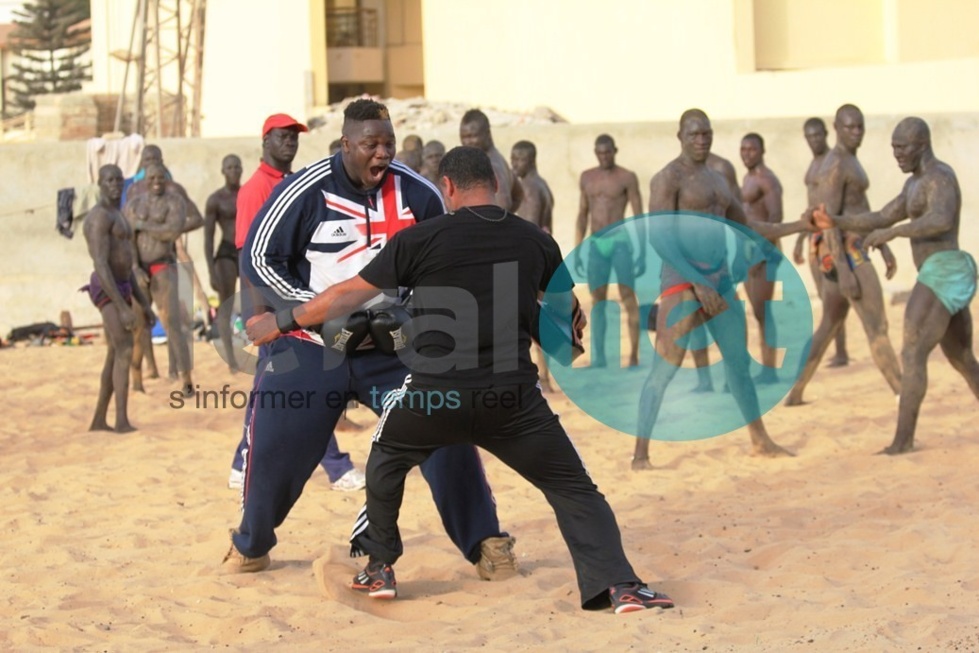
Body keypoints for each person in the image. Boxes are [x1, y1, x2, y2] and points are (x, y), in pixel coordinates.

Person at [245, 145, 676, 614]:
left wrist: (282, 321)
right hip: (514, 402)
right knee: (575, 489)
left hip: (436, 399)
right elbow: (565, 334)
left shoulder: (420, 239)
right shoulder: (536, 241)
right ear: (495, 182)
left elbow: (346, 295)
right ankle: (620, 586)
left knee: (385, 460)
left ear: (447, 187)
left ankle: (380, 568)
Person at [222, 100, 517, 581]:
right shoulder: (304, 191)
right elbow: (258, 259)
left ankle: (485, 540)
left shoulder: (418, 194)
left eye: (388, 143)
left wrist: (415, 312)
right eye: (369, 145)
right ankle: (251, 543)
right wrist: (316, 313)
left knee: (446, 426)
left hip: (392, 348)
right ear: (345, 145)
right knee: (276, 444)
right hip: (311, 346)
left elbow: (447, 260)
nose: (381, 154)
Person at [632, 109, 811, 470]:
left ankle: (760, 439)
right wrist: (696, 283)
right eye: (694, 134)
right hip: (683, 281)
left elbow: (748, 226)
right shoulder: (668, 178)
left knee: (739, 364)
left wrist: (797, 225)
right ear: (679, 135)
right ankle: (640, 455)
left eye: (707, 133)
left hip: (721, 280)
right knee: (664, 370)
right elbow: (660, 238)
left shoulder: (719, 180)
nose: (702, 139)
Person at [813, 117, 979, 454]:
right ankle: (903, 439)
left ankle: (903, 441)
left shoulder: (939, 177)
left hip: (943, 270)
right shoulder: (913, 185)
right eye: (893, 148)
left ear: (922, 145)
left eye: (902, 148)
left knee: (913, 350)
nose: (896, 155)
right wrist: (837, 221)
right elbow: (882, 216)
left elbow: (941, 219)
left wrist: (896, 233)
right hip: (938, 273)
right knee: (962, 357)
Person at [227, 113, 364, 493]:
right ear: (265, 141)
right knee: (311, 380)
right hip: (273, 306)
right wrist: (255, 313)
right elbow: (247, 254)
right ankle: (336, 467)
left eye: (294, 137)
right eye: (282, 136)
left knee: (269, 384)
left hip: (296, 300)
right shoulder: (256, 188)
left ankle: (242, 461)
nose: (290, 142)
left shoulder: (293, 182)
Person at [784, 104, 902, 406]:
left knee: (829, 324)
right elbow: (828, 219)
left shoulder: (849, 160)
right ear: (836, 127)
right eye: (850, 127)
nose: (856, 133)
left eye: (860, 127)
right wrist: (844, 269)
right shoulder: (837, 164)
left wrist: (883, 243)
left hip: (853, 248)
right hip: (846, 254)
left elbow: (859, 208)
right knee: (877, 326)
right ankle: (904, 394)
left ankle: (796, 391)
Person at [81, 164, 154, 432]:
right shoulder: (99, 217)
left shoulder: (118, 215)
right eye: (109, 180)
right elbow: (101, 263)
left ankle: (100, 419)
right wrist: (123, 307)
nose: (115, 184)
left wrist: (143, 304)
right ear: (99, 183)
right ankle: (121, 420)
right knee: (124, 347)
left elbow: (128, 267)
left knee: (115, 351)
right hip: (106, 287)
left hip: (121, 284)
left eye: (118, 179)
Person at [124, 162, 194, 397]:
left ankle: (186, 379)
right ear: (145, 180)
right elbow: (128, 238)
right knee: (139, 324)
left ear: (165, 179)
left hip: (164, 267)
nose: (156, 181)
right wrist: (134, 267)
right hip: (140, 270)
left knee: (172, 323)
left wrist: (143, 225)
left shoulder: (174, 202)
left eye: (160, 178)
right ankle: (137, 380)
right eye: (151, 178)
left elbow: (171, 232)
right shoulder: (134, 204)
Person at [575, 134, 645, 368]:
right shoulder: (587, 177)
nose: (604, 157)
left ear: (615, 150)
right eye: (600, 153)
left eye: (608, 152)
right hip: (596, 243)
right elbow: (582, 214)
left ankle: (634, 355)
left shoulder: (626, 177)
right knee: (598, 301)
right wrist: (578, 249)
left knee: (628, 297)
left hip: (620, 242)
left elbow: (638, 215)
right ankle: (600, 357)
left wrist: (642, 251)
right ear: (596, 152)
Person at [792, 117, 850, 367]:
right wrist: (800, 239)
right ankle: (837, 349)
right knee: (824, 293)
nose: (814, 140)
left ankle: (841, 350)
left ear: (826, 134)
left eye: (818, 135)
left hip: (829, 235)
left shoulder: (832, 163)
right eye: (810, 136)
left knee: (833, 295)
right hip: (814, 236)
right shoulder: (813, 164)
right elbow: (810, 206)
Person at [740, 132, 784, 384]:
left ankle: (770, 370)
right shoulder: (746, 179)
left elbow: (775, 218)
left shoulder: (767, 180)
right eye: (743, 149)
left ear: (762, 151)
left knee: (763, 311)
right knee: (757, 312)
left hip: (764, 254)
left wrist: (761, 251)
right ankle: (766, 366)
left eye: (752, 150)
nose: (747, 154)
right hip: (748, 254)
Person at [511, 139, 556, 390]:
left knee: (529, 321)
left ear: (532, 160)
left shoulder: (530, 188)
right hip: (544, 260)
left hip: (531, 263)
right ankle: (545, 378)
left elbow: (528, 232)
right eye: (512, 158)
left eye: (519, 159)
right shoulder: (543, 185)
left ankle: (543, 379)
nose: (514, 164)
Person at [203, 154, 243, 373]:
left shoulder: (247, 193)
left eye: (237, 167)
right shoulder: (215, 200)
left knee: (256, 303)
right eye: (229, 167)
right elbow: (208, 239)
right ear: (223, 171)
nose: (234, 171)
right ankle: (232, 360)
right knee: (225, 306)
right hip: (226, 252)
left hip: (245, 250)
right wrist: (210, 271)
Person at [459, 108, 522, 210]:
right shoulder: (498, 159)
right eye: (464, 137)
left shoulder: (491, 166)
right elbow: (518, 195)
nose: (467, 142)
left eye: (473, 136)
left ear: (487, 133)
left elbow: (504, 204)